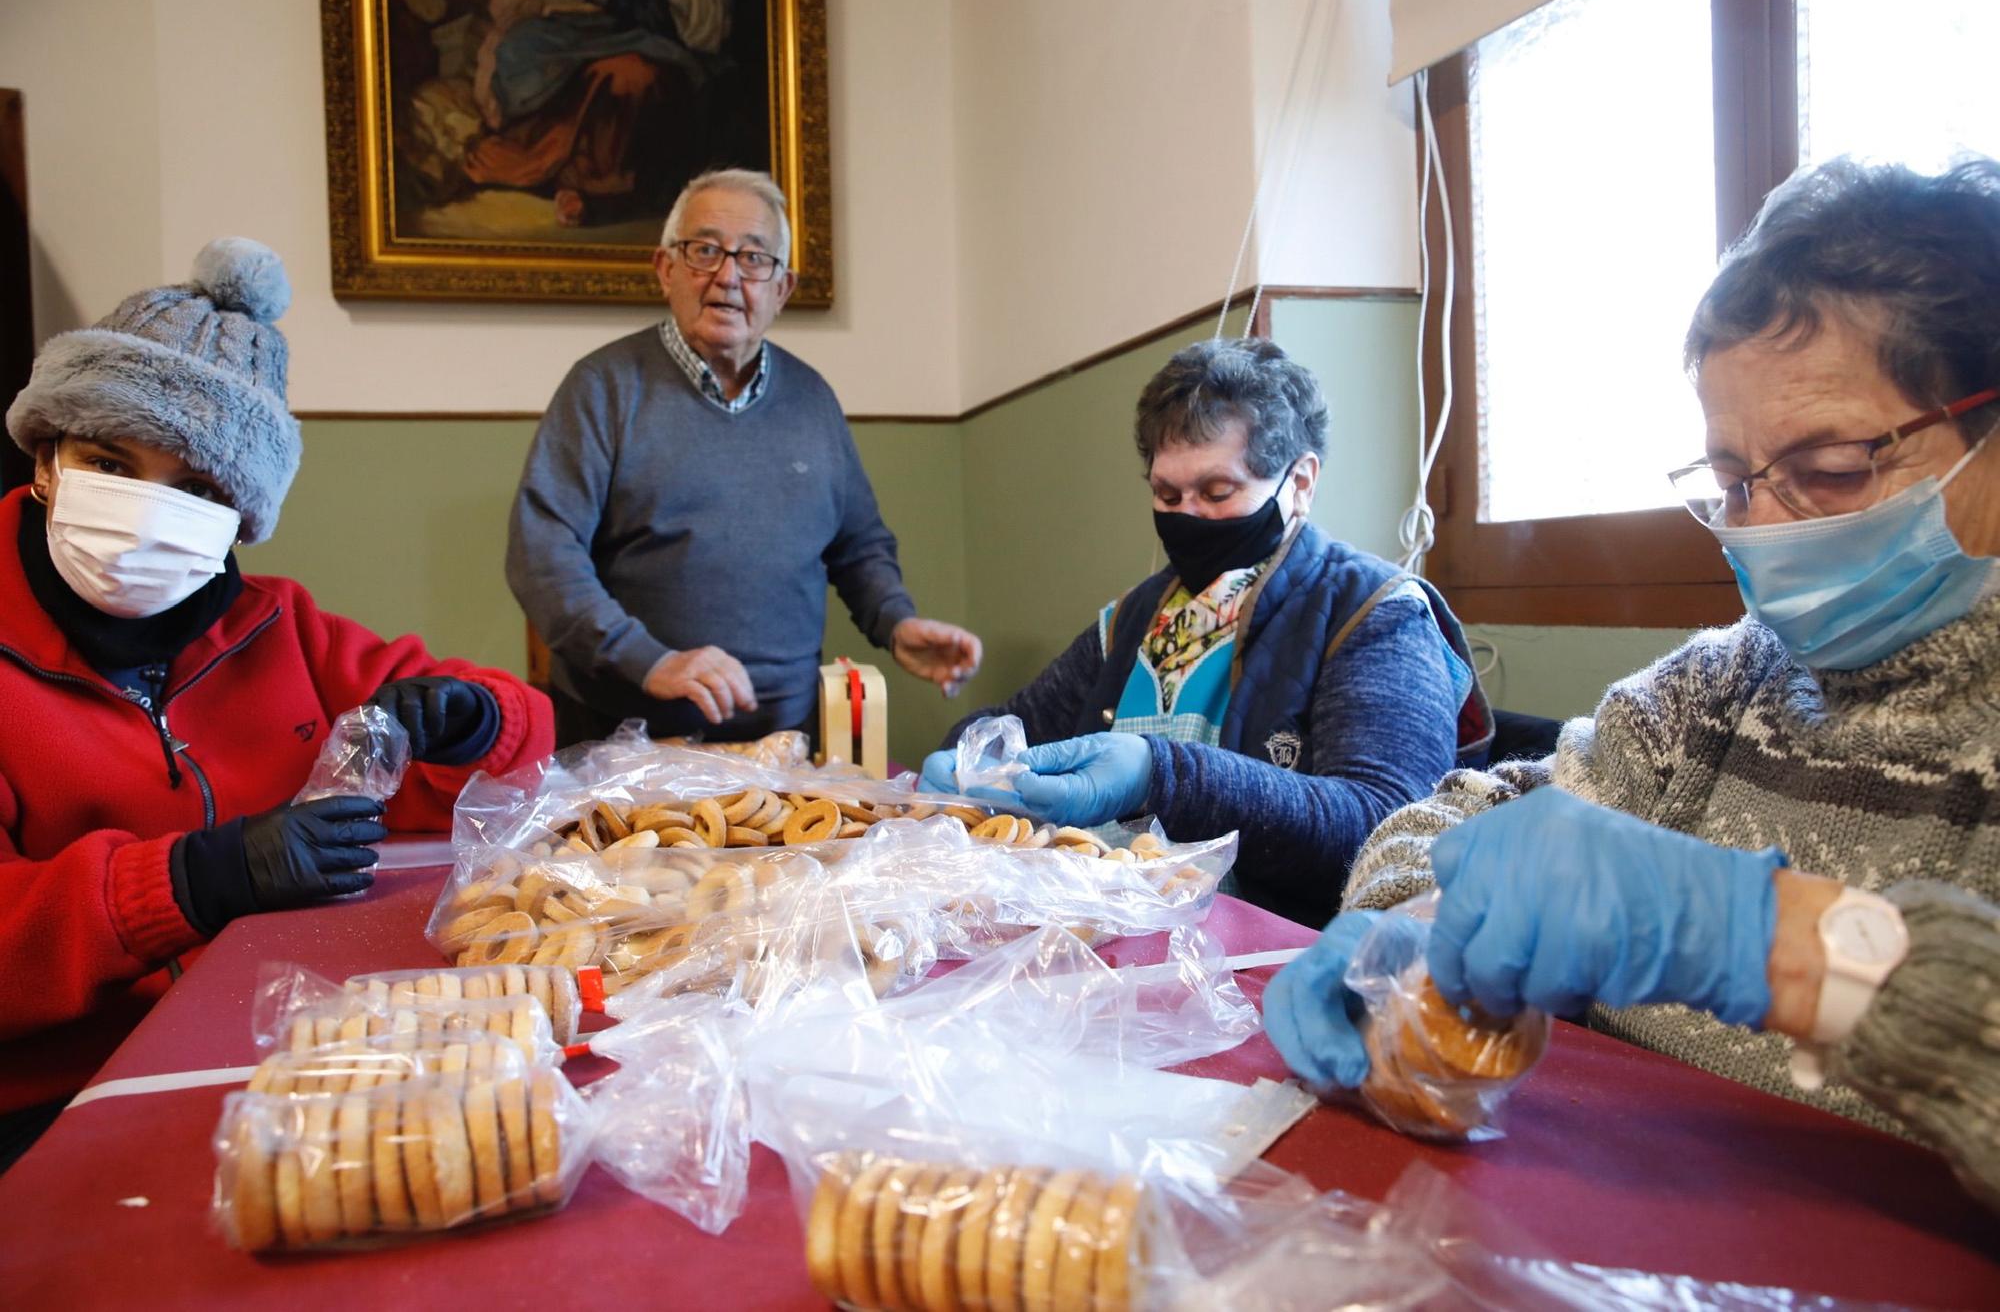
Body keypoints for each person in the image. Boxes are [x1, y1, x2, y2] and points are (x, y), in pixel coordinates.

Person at [1265, 157, 2000, 1209]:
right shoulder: (1715, 689)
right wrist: (1416, 923)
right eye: (1731, 481)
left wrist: (1780, 945)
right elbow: (1476, 812)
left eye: (1832, 471)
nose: (1764, 528)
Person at [0, 239, 555, 1164]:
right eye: (109, 462)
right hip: (52, 1106)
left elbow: (521, 744)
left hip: (274, 1057)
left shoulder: (279, 628)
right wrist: (186, 882)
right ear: (46, 458)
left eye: (195, 488)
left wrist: (476, 721)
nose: (144, 511)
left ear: (238, 519)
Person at [919, 338, 1492, 927]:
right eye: (1167, 495)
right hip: (1112, 935)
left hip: (1278, 957)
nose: (1188, 516)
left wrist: (1160, 775)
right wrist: (971, 755)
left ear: (1300, 482)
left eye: (1218, 493)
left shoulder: (1374, 613)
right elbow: (1025, 722)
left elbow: (1386, 830)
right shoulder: (1137, 620)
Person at [508, 167, 982, 747]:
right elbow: (543, 553)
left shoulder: (812, 398)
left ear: (781, 289)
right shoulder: (602, 386)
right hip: (622, 744)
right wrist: (649, 661)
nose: (728, 276)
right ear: (666, 268)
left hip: (785, 746)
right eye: (705, 250)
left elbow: (859, 544)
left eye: (755, 258)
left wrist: (896, 621)